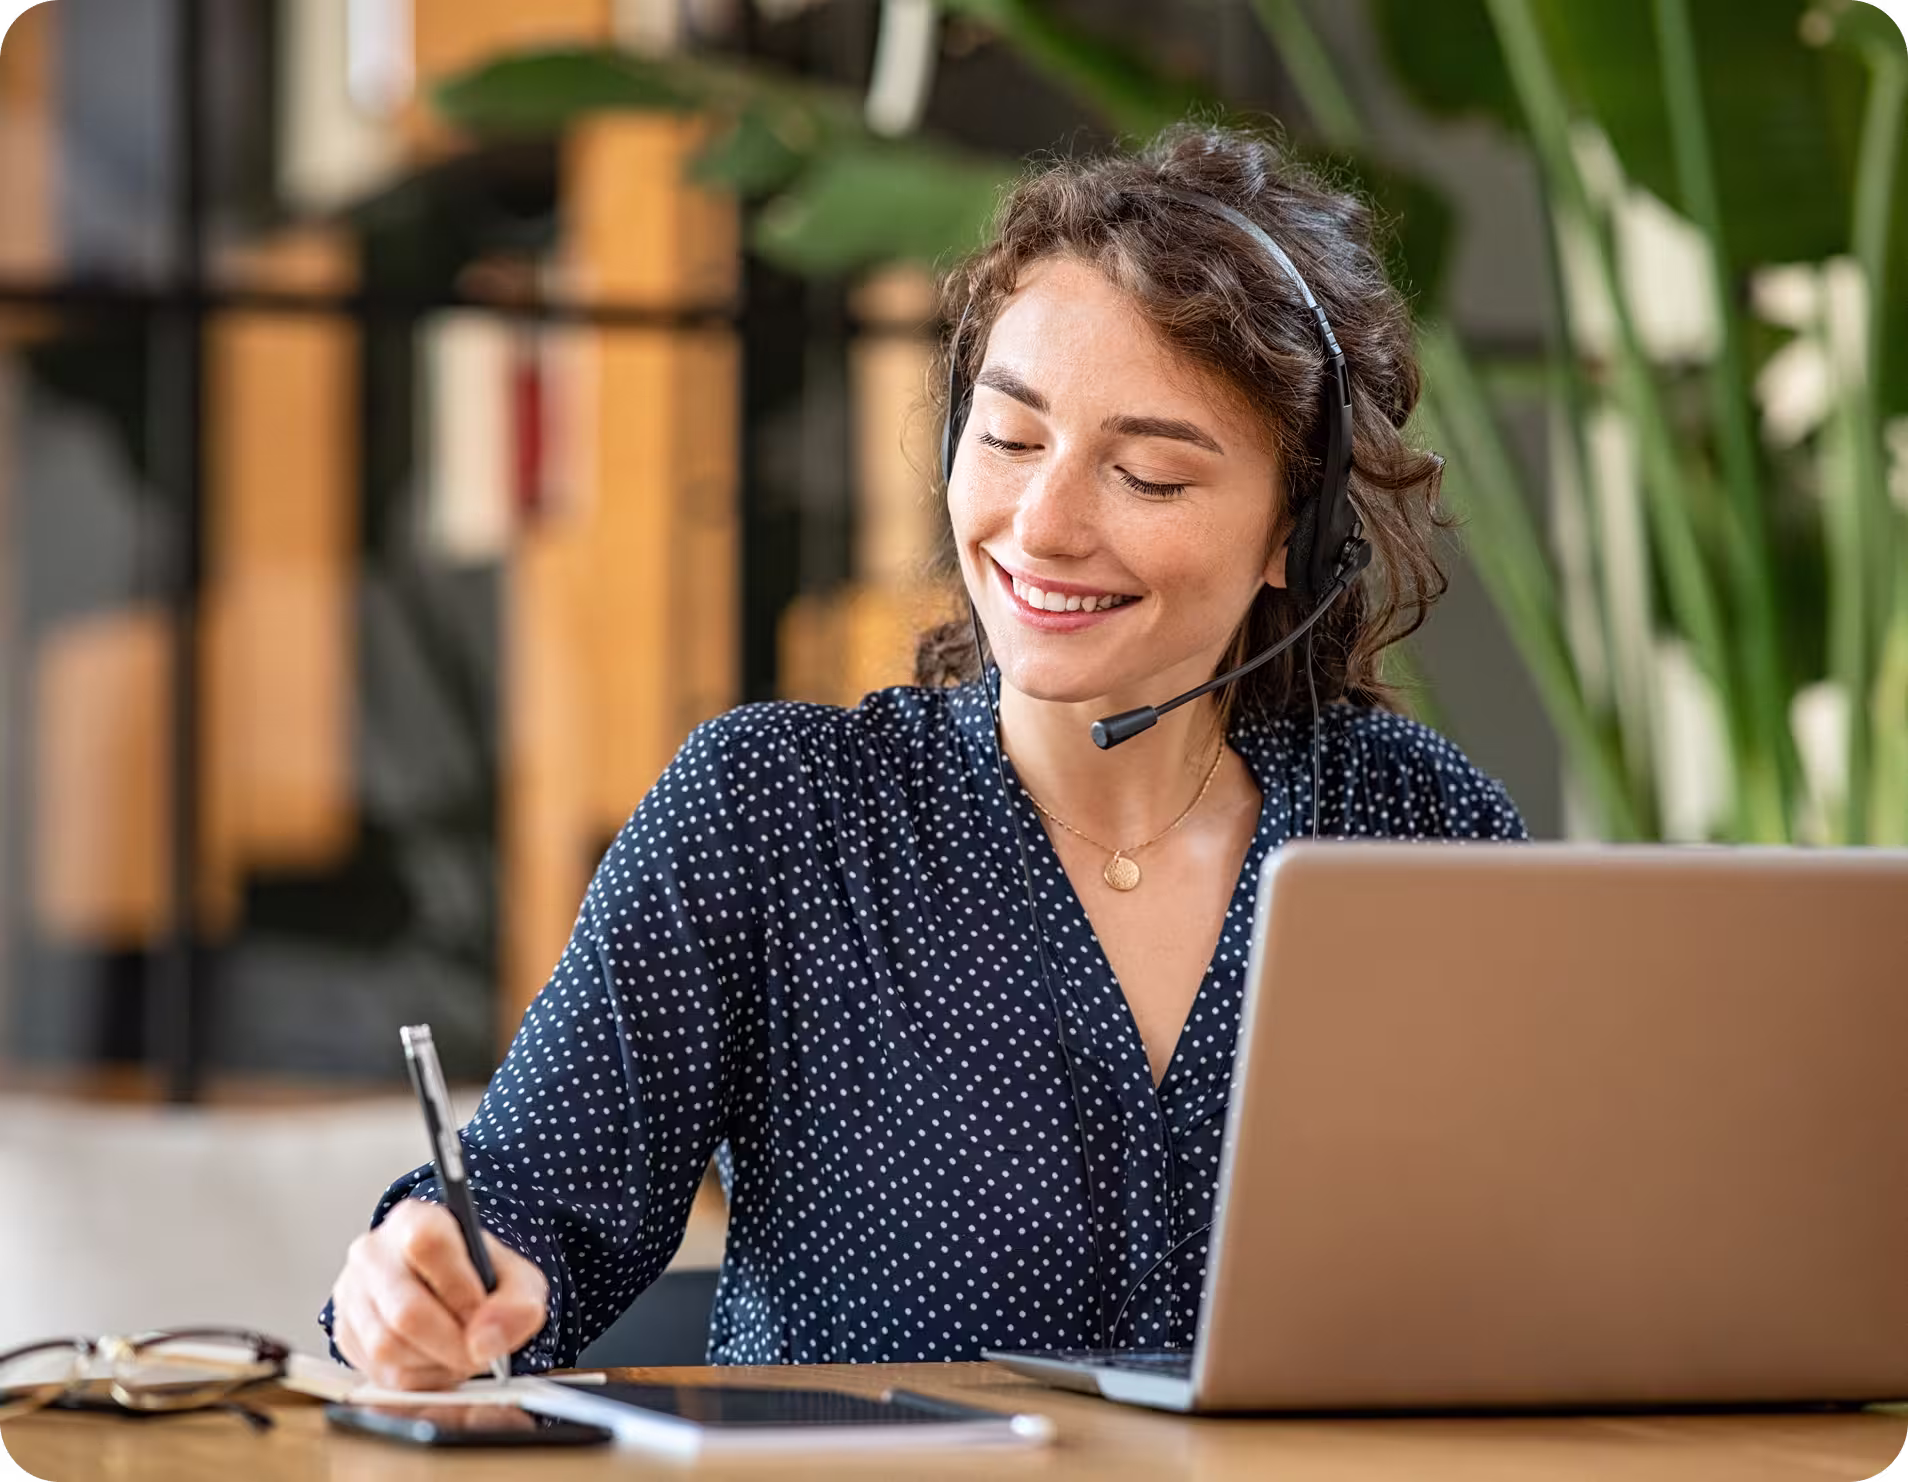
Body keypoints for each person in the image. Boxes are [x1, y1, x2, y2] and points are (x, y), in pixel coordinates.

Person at [324, 121, 1526, 1391]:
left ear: (1300, 531)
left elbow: (1542, 1260)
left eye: (1149, 477)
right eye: (1008, 441)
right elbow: (514, 1223)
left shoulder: (1418, 830)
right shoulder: (776, 813)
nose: (1042, 525)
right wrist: (421, 1285)